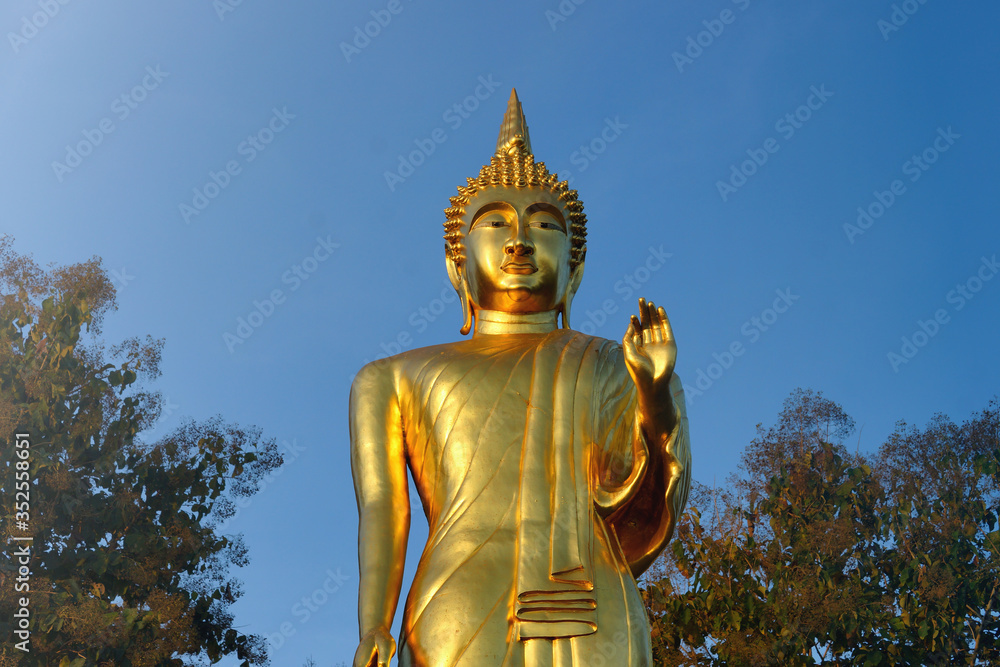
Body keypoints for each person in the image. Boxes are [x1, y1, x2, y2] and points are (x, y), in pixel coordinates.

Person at [350, 90, 691, 667]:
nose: (519, 241)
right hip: (457, 603)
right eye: (495, 223)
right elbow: (384, 508)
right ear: (458, 266)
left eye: (543, 225)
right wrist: (373, 623)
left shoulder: (621, 363)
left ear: (575, 272)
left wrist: (655, 397)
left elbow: (649, 511)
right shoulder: (392, 377)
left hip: (590, 603)